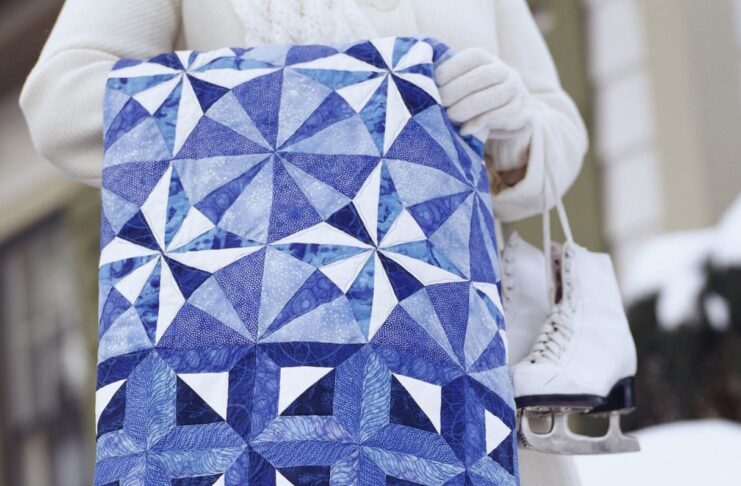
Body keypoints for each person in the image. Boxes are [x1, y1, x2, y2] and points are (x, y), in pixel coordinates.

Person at [19, 0, 588, 484]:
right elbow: (59, 100)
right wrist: (300, 103)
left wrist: (514, 131)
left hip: (451, 366)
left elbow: (558, 126)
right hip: (241, 366)